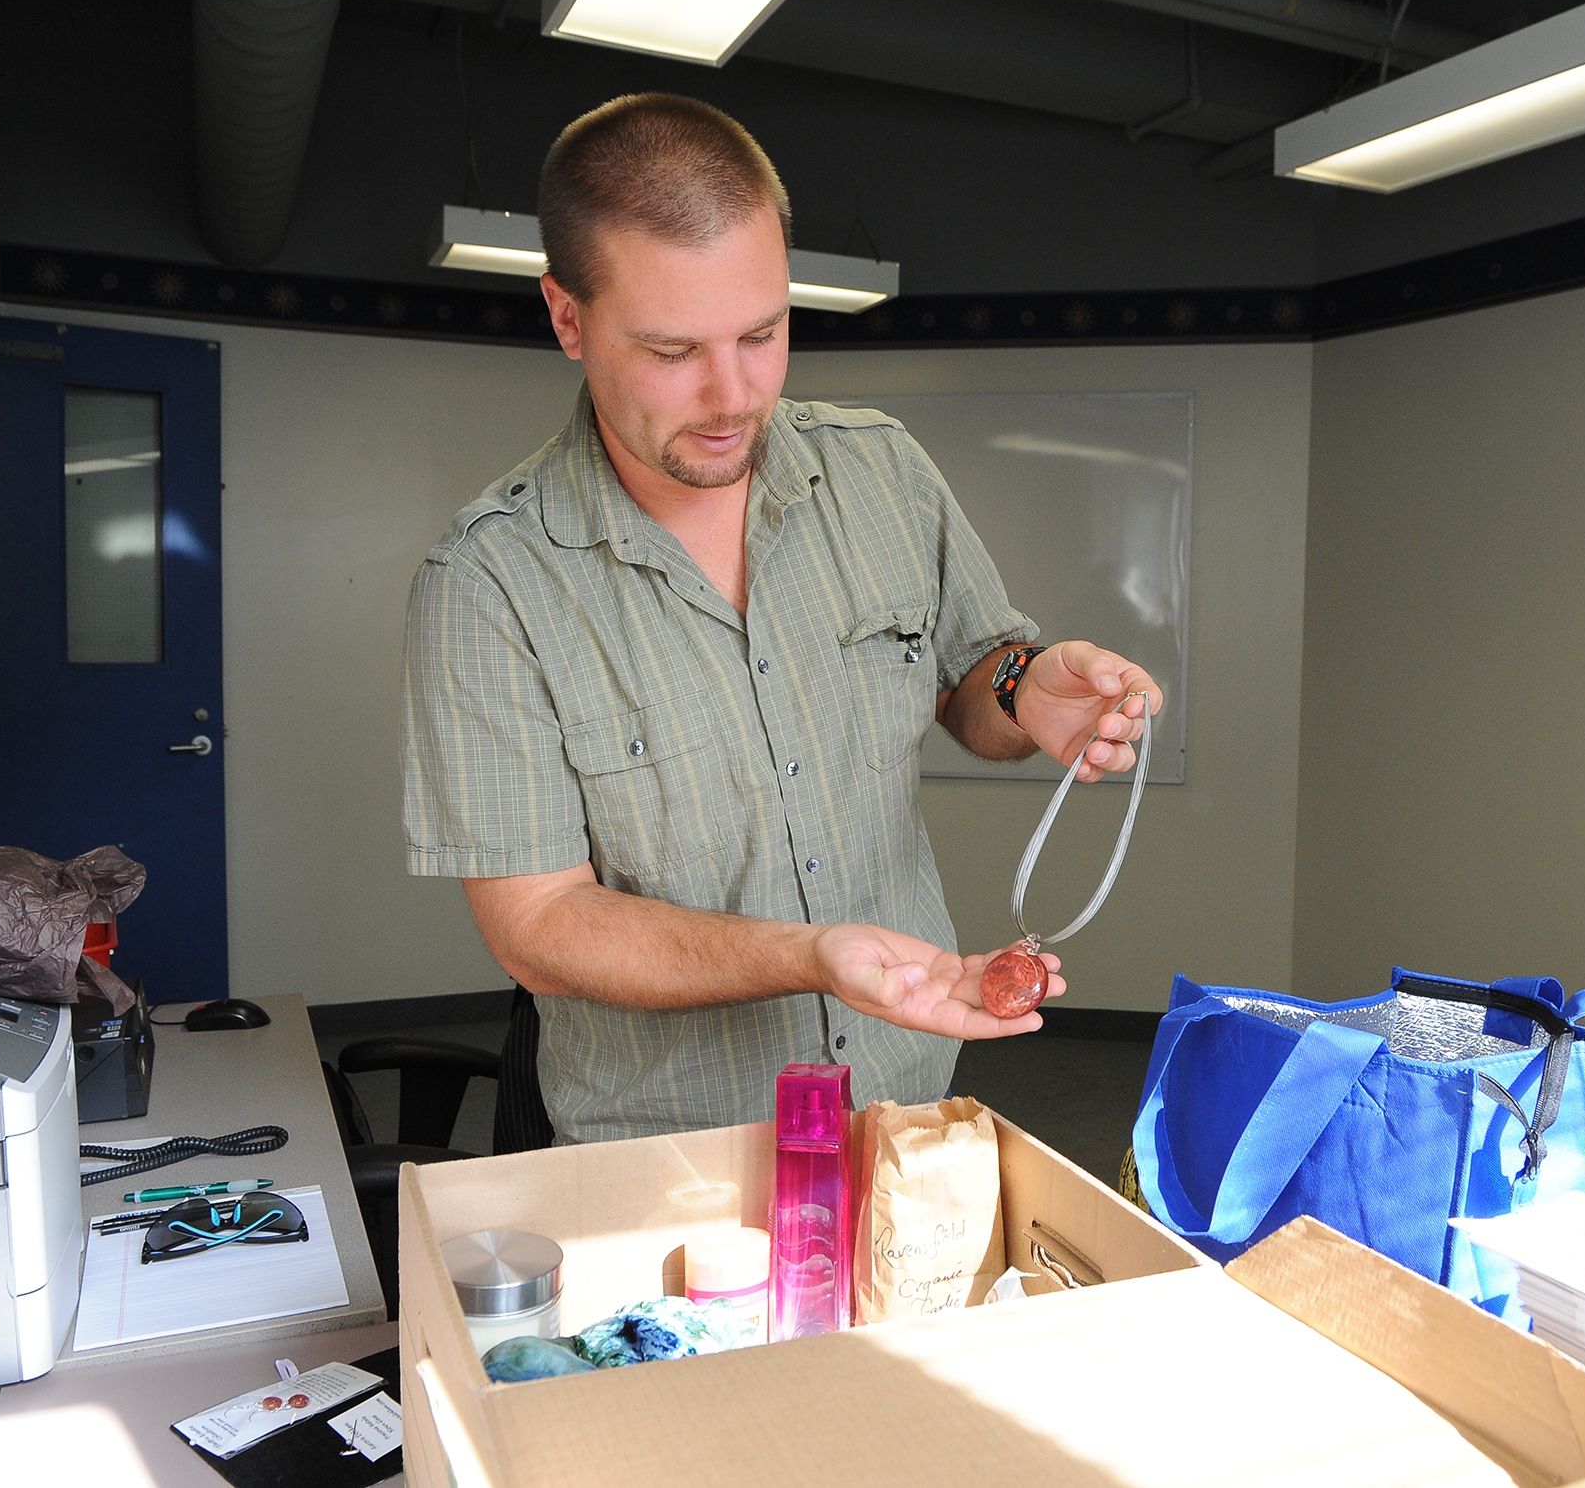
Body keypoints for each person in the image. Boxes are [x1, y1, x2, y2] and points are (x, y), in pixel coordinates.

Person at [402, 92, 1162, 1145]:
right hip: (671, 1154)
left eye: (762, 333)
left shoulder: (882, 469)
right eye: (673, 352)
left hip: (908, 1101)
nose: (732, 395)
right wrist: (808, 957)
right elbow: (538, 928)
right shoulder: (492, 580)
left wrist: (1025, 690)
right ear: (567, 319)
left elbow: (971, 683)